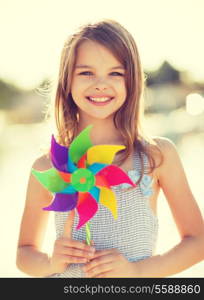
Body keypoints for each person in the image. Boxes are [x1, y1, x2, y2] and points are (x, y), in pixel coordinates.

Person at [16, 19, 204, 278]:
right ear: (67, 81)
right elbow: (24, 254)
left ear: (132, 81)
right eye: (86, 73)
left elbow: (197, 242)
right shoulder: (48, 166)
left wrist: (136, 271)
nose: (101, 84)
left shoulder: (156, 156)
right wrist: (50, 262)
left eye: (115, 73)